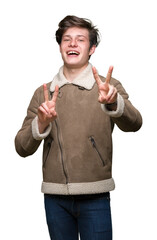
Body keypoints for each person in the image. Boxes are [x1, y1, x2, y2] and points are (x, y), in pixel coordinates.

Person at [15, 15, 142, 240]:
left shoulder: (107, 87)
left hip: (95, 195)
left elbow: (135, 123)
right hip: (55, 198)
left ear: (92, 48)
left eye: (80, 40)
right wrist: (41, 123)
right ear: (60, 46)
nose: (73, 44)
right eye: (67, 39)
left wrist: (113, 102)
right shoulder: (44, 93)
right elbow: (21, 148)